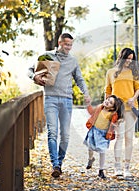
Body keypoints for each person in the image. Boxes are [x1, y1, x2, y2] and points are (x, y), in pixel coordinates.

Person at [27, 33, 91, 178]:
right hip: (50, 99)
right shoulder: (47, 56)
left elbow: (79, 79)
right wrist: (34, 77)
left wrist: (85, 93)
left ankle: (59, 164)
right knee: (52, 132)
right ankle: (55, 164)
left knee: (66, 136)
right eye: (66, 44)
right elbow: (30, 70)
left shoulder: (73, 61)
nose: (68, 47)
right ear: (60, 43)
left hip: (67, 101)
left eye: (70, 45)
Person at [104, 47, 139, 177]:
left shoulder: (134, 72)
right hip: (117, 110)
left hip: (131, 109)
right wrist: (107, 108)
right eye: (127, 59)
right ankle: (117, 167)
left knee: (129, 138)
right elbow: (108, 91)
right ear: (121, 57)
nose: (129, 61)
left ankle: (127, 168)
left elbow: (138, 89)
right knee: (119, 137)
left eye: (132, 59)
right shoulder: (111, 72)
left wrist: (133, 98)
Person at [83, 95, 124, 179]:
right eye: (108, 100)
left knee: (102, 151)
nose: (107, 101)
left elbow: (114, 123)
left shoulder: (112, 114)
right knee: (90, 148)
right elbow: (91, 112)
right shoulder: (99, 108)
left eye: (110, 102)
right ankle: (91, 159)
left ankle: (101, 170)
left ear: (112, 108)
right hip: (94, 131)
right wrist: (88, 104)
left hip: (103, 135)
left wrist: (117, 125)